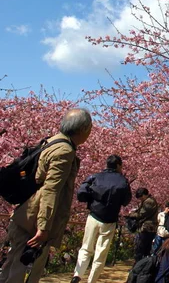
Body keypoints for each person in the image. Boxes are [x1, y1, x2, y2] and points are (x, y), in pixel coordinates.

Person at [0, 108, 92, 283]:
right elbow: (52, 190)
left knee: (11, 266)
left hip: (24, 213)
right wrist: (43, 228)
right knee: (23, 269)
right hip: (33, 221)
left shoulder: (51, 141)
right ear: (83, 129)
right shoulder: (64, 151)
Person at [70, 155, 132, 283]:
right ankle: (91, 281)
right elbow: (126, 200)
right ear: (119, 165)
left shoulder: (95, 177)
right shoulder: (123, 181)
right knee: (100, 253)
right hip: (109, 220)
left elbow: (82, 194)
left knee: (86, 248)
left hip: (93, 216)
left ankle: (77, 275)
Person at [128, 188, 158, 262]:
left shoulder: (149, 202)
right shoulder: (148, 201)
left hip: (147, 228)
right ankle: (141, 266)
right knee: (145, 249)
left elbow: (141, 214)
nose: (140, 199)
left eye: (141, 197)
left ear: (145, 195)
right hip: (149, 228)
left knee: (141, 248)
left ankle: (138, 266)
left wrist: (131, 215)